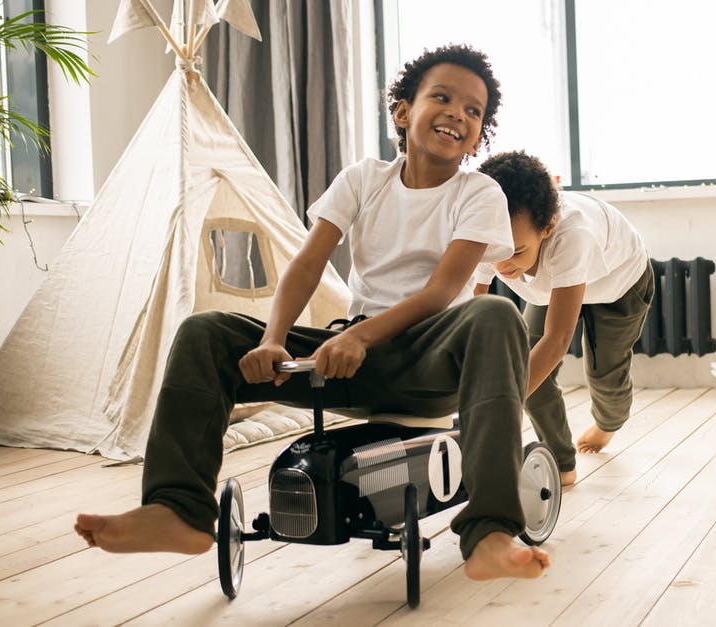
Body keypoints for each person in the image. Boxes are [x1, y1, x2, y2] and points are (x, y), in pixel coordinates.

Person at [75, 44, 550, 581]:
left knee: (495, 315)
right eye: (442, 97)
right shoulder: (363, 180)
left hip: (427, 363)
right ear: (402, 111)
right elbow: (306, 264)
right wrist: (273, 339)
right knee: (206, 331)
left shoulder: (479, 192)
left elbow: (441, 293)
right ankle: (178, 511)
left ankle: (489, 531)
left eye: (474, 111)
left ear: (479, 132)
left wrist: (363, 338)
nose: (458, 115)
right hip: (350, 360)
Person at [473, 151, 652, 486]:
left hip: (617, 283)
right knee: (523, 368)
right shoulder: (492, 236)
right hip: (551, 288)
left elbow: (557, 340)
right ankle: (561, 462)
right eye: (495, 251)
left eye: (515, 252)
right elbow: (468, 308)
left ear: (547, 227)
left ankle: (608, 424)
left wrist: (500, 406)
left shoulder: (572, 234)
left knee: (605, 374)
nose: (501, 265)